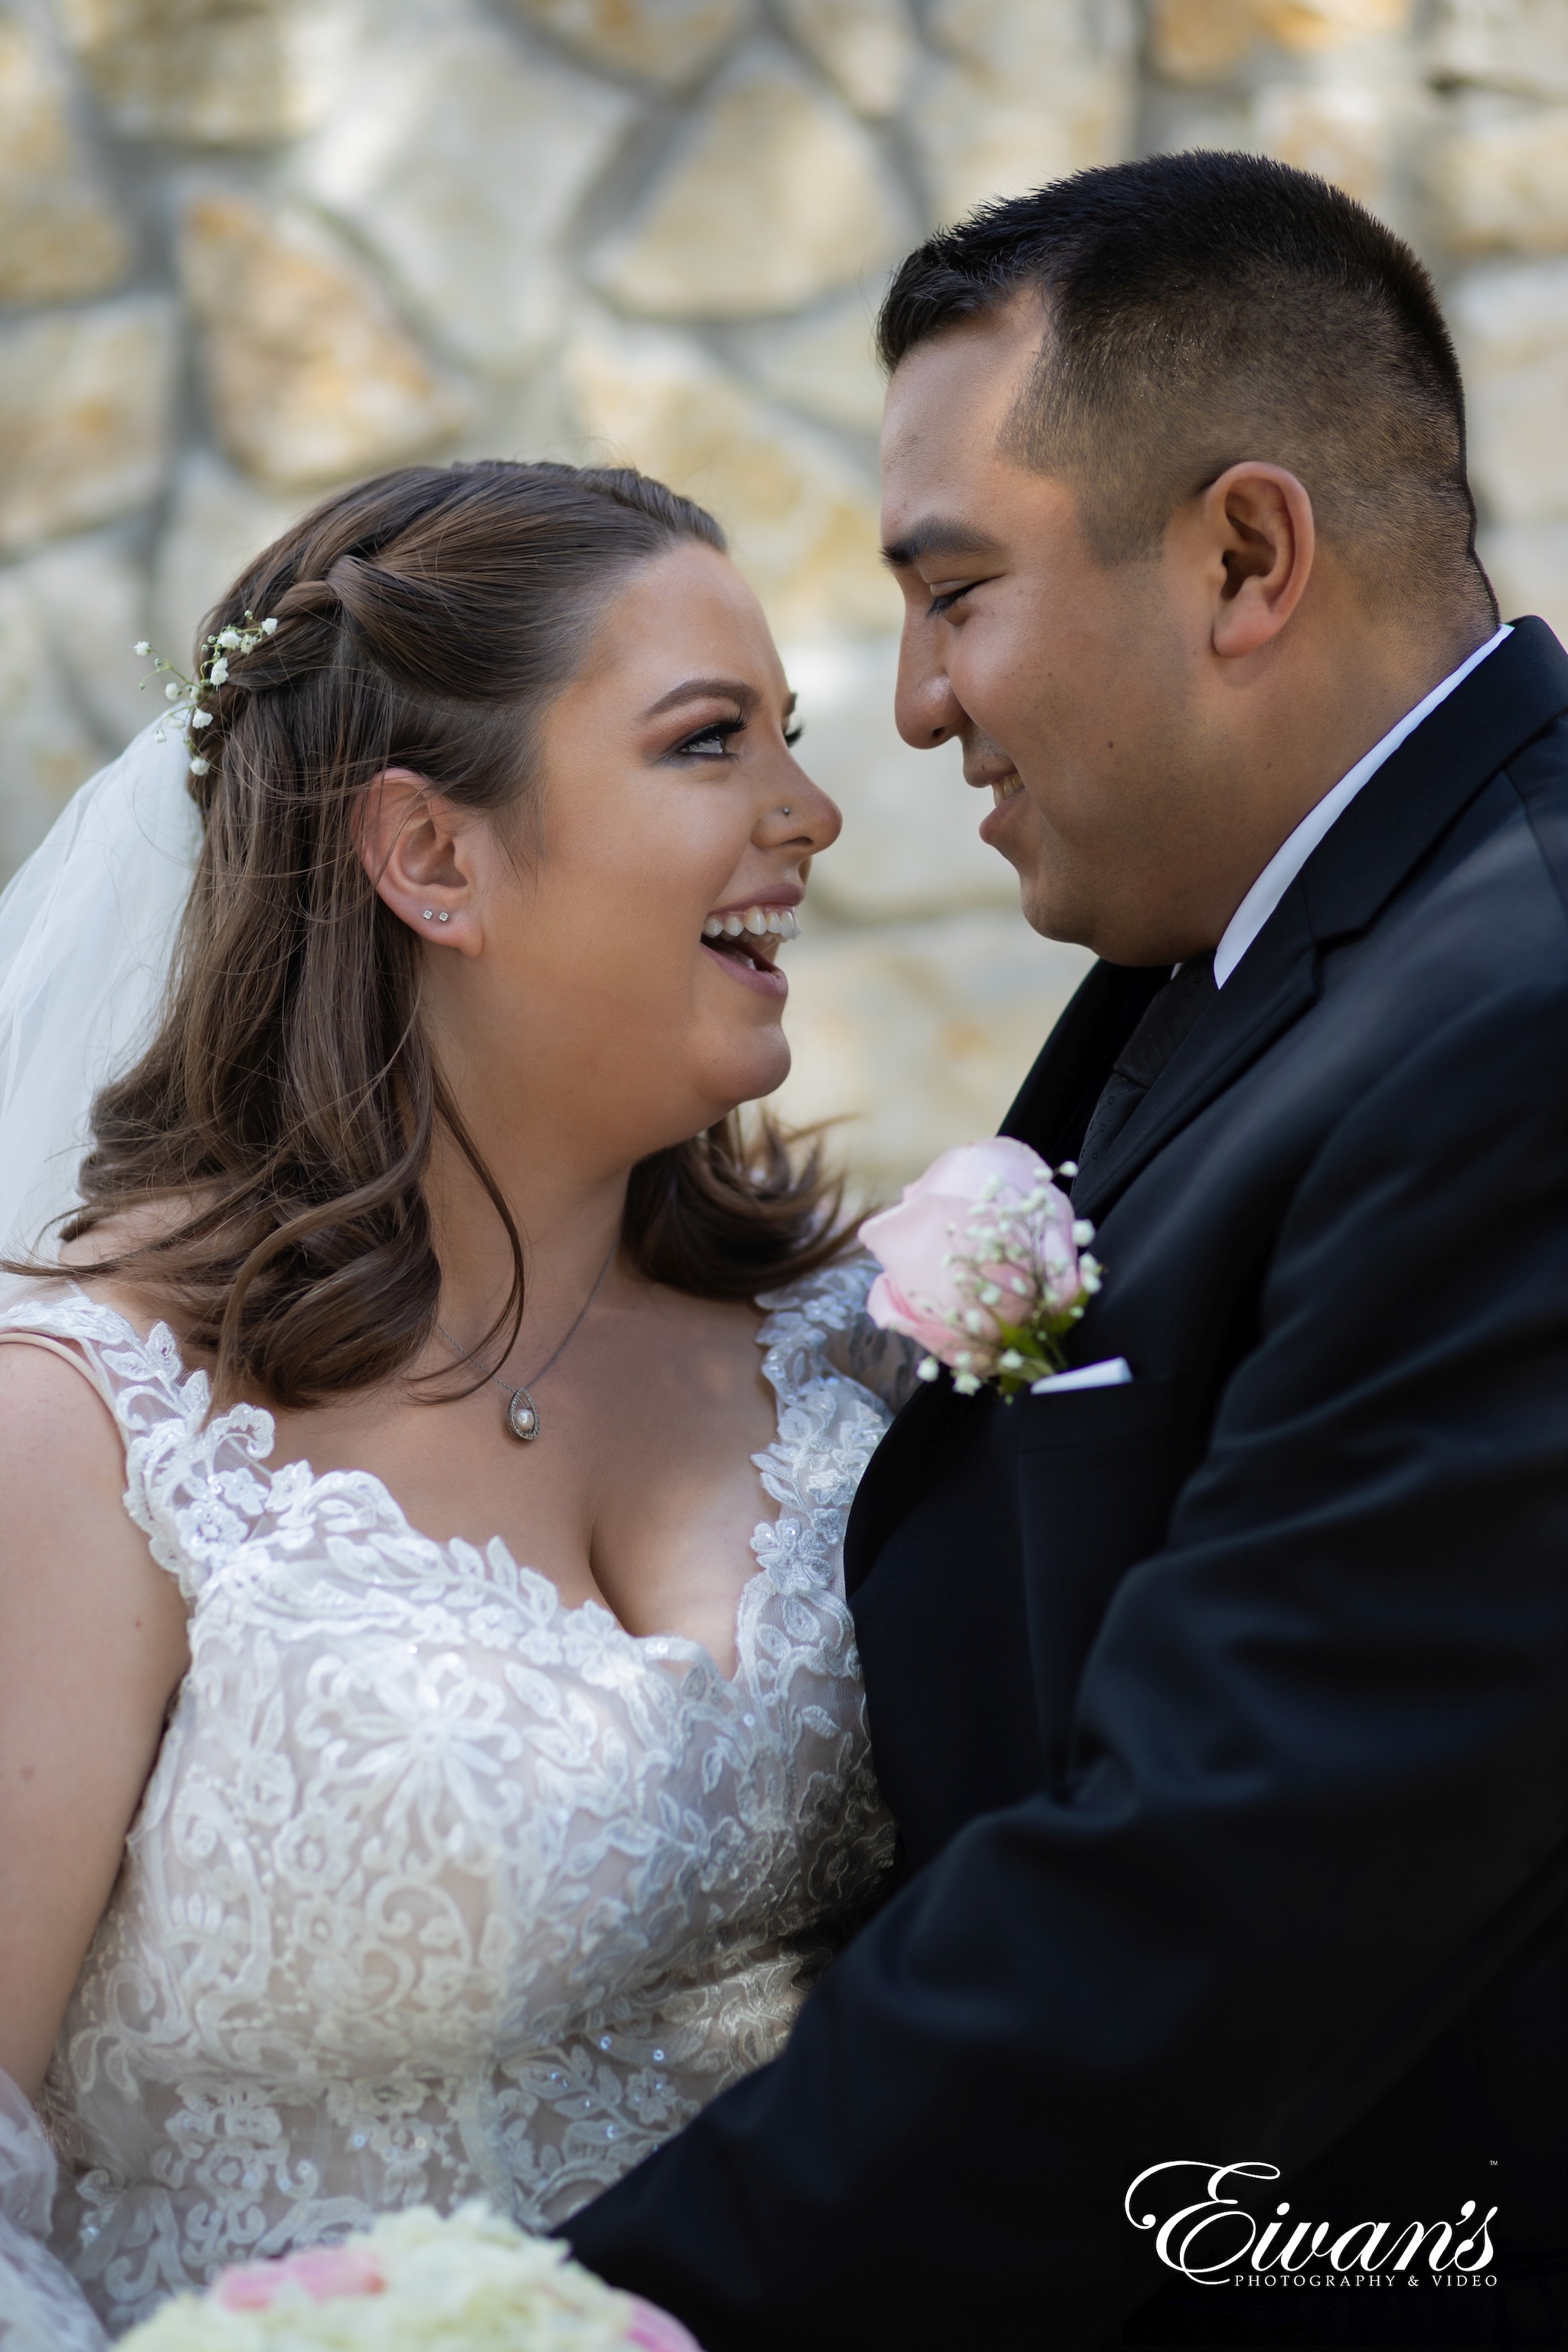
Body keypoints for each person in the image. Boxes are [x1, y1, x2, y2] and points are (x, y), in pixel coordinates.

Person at [560, 154, 1568, 2349]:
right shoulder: (1259, 944)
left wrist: (546, 2323)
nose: (916, 708)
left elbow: (1224, 1891)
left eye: (957, 592)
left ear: (1243, 556)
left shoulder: (1521, 1023)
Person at [0, 461, 913, 2344]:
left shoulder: (858, 1354)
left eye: (786, 742)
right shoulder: (97, 1425)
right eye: (707, 744)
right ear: (432, 859)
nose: (807, 813)